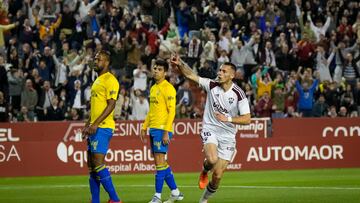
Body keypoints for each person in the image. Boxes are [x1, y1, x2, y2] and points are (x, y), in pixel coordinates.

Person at [171, 56, 251, 203]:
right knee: (212, 159)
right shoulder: (212, 85)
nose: (219, 73)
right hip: (210, 128)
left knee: (218, 176)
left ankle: (203, 200)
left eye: (224, 71)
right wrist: (180, 64)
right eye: (219, 70)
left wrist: (228, 119)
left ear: (232, 75)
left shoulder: (238, 94)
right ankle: (204, 170)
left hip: (228, 134)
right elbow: (190, 75)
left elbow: (247, 119)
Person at [140, 59, 184, 203]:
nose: (156, 71)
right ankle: (176, 192)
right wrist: (144, 126)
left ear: (165, 72)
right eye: (155, 68)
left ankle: (157, 196)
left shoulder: (168, 88)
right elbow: (151, 111)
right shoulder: (153, 88)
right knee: (161, 163)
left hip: (162, 129)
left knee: (159, 163)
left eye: (159, 69)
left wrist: (166, 132)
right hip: (153, 129)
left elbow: (172, 112)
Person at [81, 50, 122, 203]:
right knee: (91, 167)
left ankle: (115, 200)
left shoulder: (110, 80)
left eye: (98, 59)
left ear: (106, 62)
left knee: (98, 163)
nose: (95, 61)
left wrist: (96, 123)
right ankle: (95, 201)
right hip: (94, 127)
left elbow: (111, 105)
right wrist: (88, 124)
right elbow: (95, 107)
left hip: (103, 127)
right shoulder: (97, 80)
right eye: (95, 58)